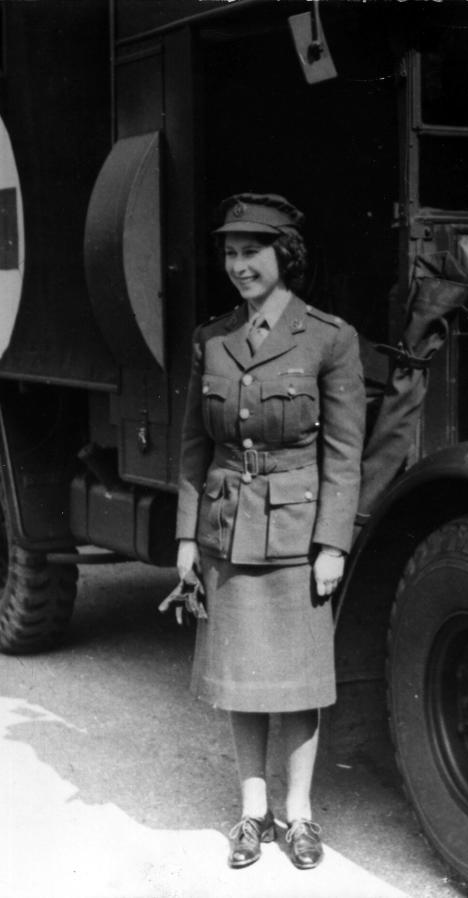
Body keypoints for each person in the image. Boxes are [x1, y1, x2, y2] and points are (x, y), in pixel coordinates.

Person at [174, 193, 365, 870]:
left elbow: (343, 454)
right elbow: (195, 444)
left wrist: (333, 544)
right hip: (227, 528)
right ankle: (252, 813)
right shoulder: (211, 339)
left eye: (252, 252)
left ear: (284, 255)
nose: (239, 265)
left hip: (295, 530)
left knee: (300, 682)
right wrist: (185, 539)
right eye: (230, 253)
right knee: (240, 676)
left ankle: (301, 815)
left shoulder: (328, 338)